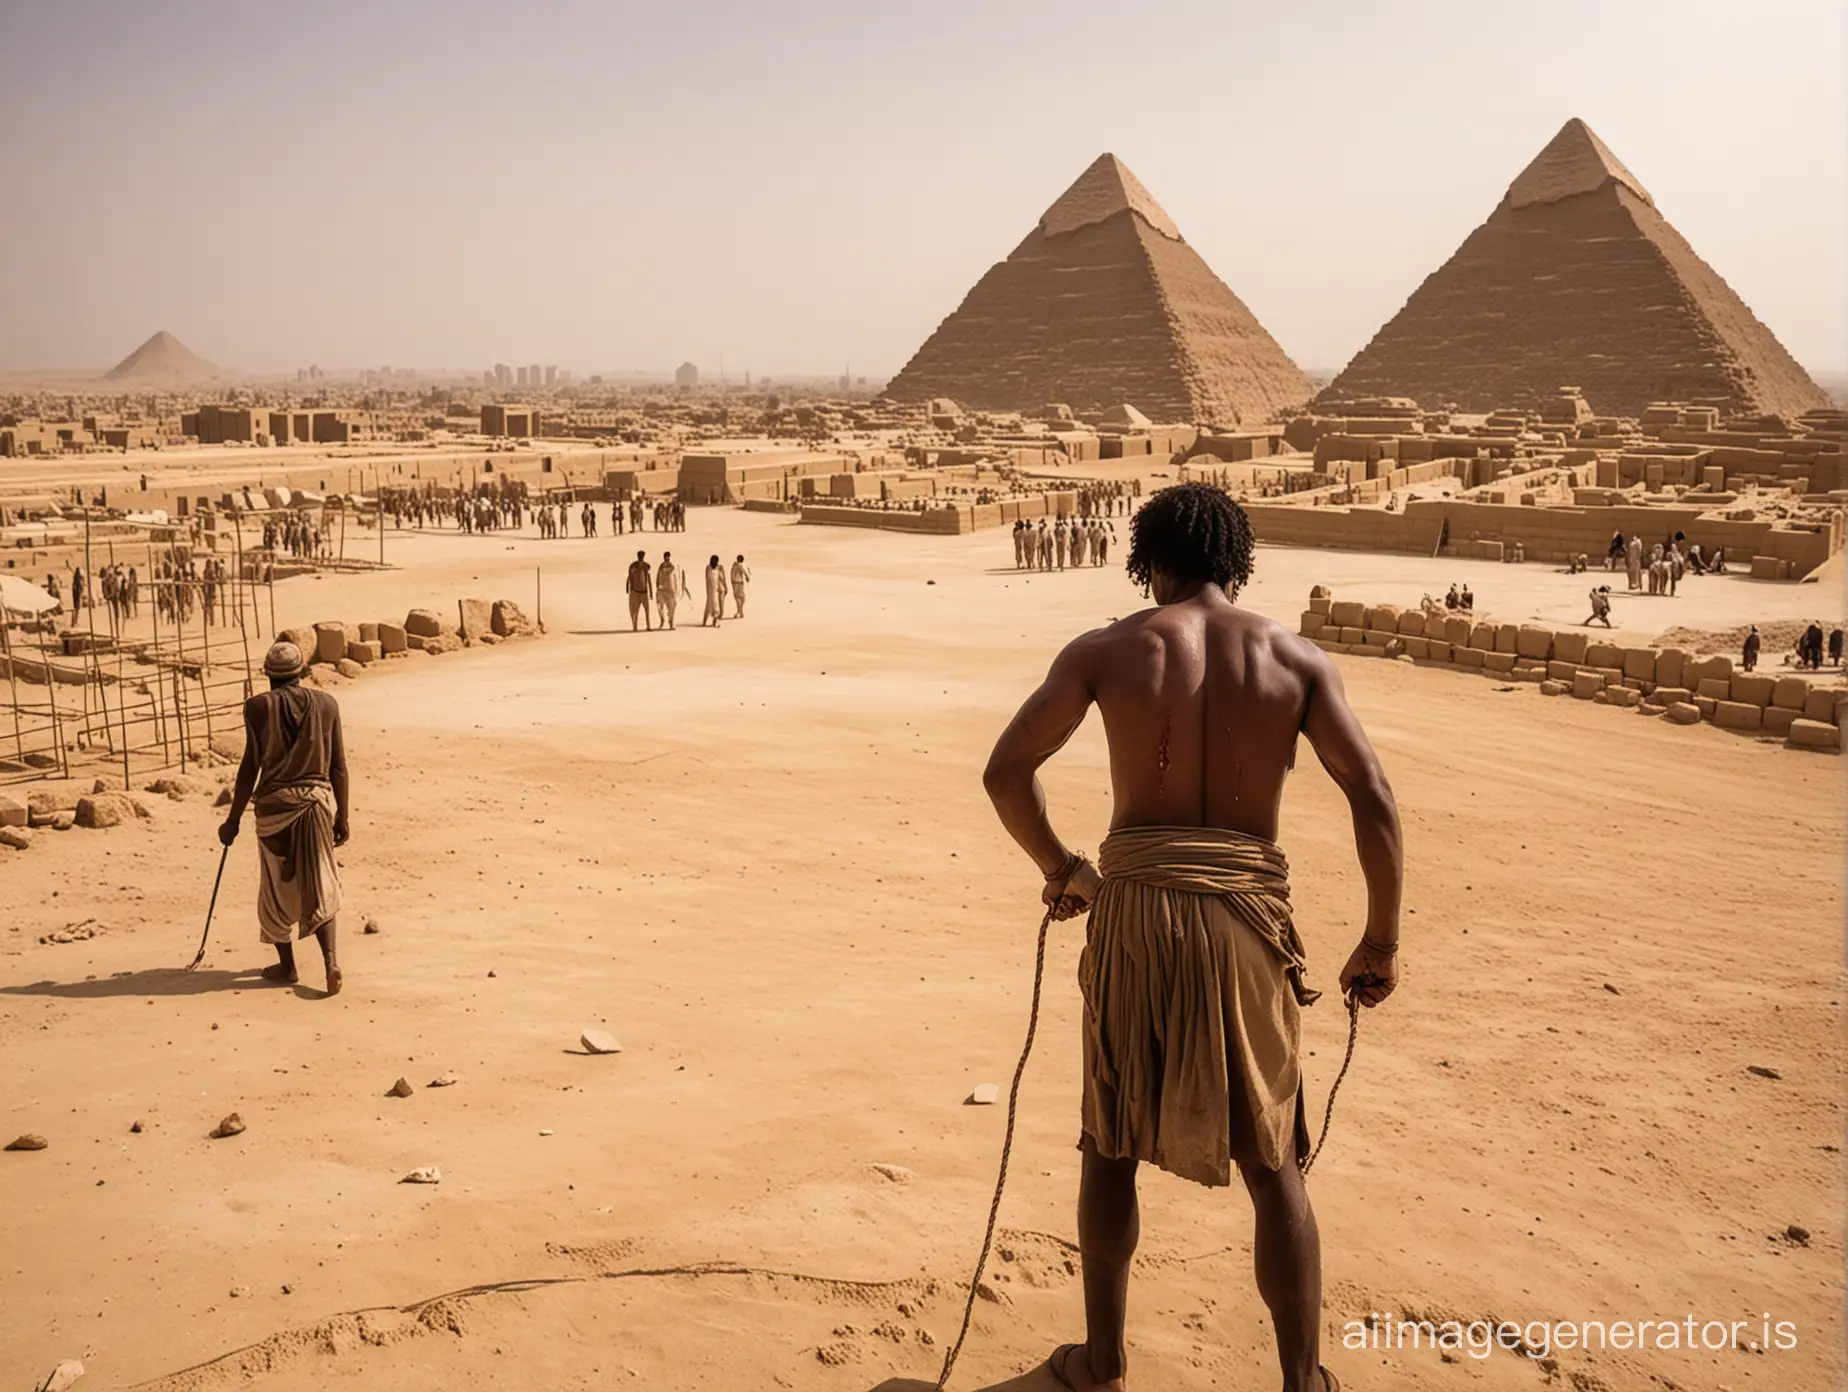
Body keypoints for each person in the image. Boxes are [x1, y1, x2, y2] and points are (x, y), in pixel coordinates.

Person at [982, 483, 1401, 1392]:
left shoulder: (1105, 651)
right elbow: (1372, 796)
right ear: (1237, 563)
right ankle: (1301, 1382)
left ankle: (1102, 1362)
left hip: (1133, 910)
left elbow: (1007, 771)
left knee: (1110, 1140)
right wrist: (1381, 941)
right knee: (1275, 1158)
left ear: (1152, 563)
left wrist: (1064, 870)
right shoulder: (1298, 659)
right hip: (1249, 917)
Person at [217, 641, 350, 996]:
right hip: (316, 804)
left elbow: (250, 766)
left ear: (269, 676)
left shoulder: (257, 707)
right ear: (302, 672)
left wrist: (233, 819)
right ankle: (331, 962)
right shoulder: (327, 704)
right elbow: (338, 766)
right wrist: (343, 816)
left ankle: (287, 965)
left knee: (276, 887)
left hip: (274, 808)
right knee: (320, 881)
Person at [656, 551, 689, 629]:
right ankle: (662, 620)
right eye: (665, 557)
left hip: (671, 590)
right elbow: (658, 577)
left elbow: (677, 578)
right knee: (660, 607)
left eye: (668, 557)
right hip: (662, 590)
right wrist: (658, 586)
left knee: (672, 608)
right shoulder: (661, 566)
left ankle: (671, 622)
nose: (667, 558)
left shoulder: (673, 566)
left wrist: (678, 590)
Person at [625, 550, 653, 632]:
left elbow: (648, 579)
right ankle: (635, 626)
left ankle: (646, 626)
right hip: (635, 591)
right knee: (635, 610)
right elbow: (629, 577)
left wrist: (650, 591)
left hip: (642, 592)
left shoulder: (645, 566)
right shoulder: (634, 566)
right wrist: (627, 587)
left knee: (645, 610)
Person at [703, 554, 727, 626]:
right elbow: (707, 579)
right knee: (708, 606)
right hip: (710, 590)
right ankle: (704, 621)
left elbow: (722, 579)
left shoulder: (718, 569)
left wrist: (725, 587)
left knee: (716, 606)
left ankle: (715, 621)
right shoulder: (708, 568)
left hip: (715, 590)